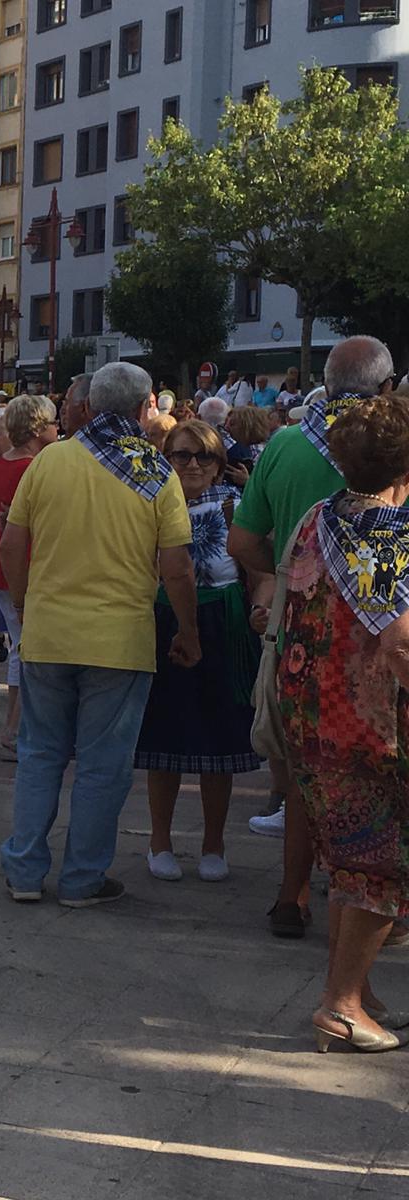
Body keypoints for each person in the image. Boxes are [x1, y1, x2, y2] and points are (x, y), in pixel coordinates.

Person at [0, 362, 199, 907]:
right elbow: (177, 568)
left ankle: (23, 871)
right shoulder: (158, 474)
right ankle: (83, 879)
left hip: (48, 633)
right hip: (120, 641)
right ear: (143, 409)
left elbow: (11, 548)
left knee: (40, 754)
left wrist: (24, 602)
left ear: (87, 406)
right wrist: (188, 632)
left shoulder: (50, 462)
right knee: (102, 766)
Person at [231, 334, 392, 938]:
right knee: (379, 780)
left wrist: (298, 570)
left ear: (324, 383)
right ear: (383, 389)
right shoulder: (394, 451)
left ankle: (290, 896)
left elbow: (243, 543)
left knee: (307, 773)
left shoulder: (286, 444)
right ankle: (372, 915)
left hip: (300, 628)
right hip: (381, 637)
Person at [277, 393, 409, 1051]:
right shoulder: (383, 535)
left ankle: (356, 989)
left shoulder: (322, 516)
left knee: (352, 855)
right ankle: (343, 1002)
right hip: (372, 721)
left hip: (312, 710)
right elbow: (403, 641)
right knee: (384, 862)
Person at [132, 421, 262, 882]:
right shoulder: (148, 502)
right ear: (166, 459)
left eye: (203, 457)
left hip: (222, 621)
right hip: (164, 617)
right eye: (181, 456)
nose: (191, 465)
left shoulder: (235, 504)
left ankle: (214, 843)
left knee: (219, 736)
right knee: (163, 733)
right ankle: (159, 840)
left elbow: (259, 568)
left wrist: (261, 608)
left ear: (219, 465)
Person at [0, 395, 59, 760]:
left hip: (3, 562)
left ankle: (15, 727)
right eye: (51, 422)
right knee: (26, 649)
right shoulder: (35, 466)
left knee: (19, 646)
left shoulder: (2, 463)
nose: (56, 427)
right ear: (37, 427)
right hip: (27, 563)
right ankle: (15, 729)